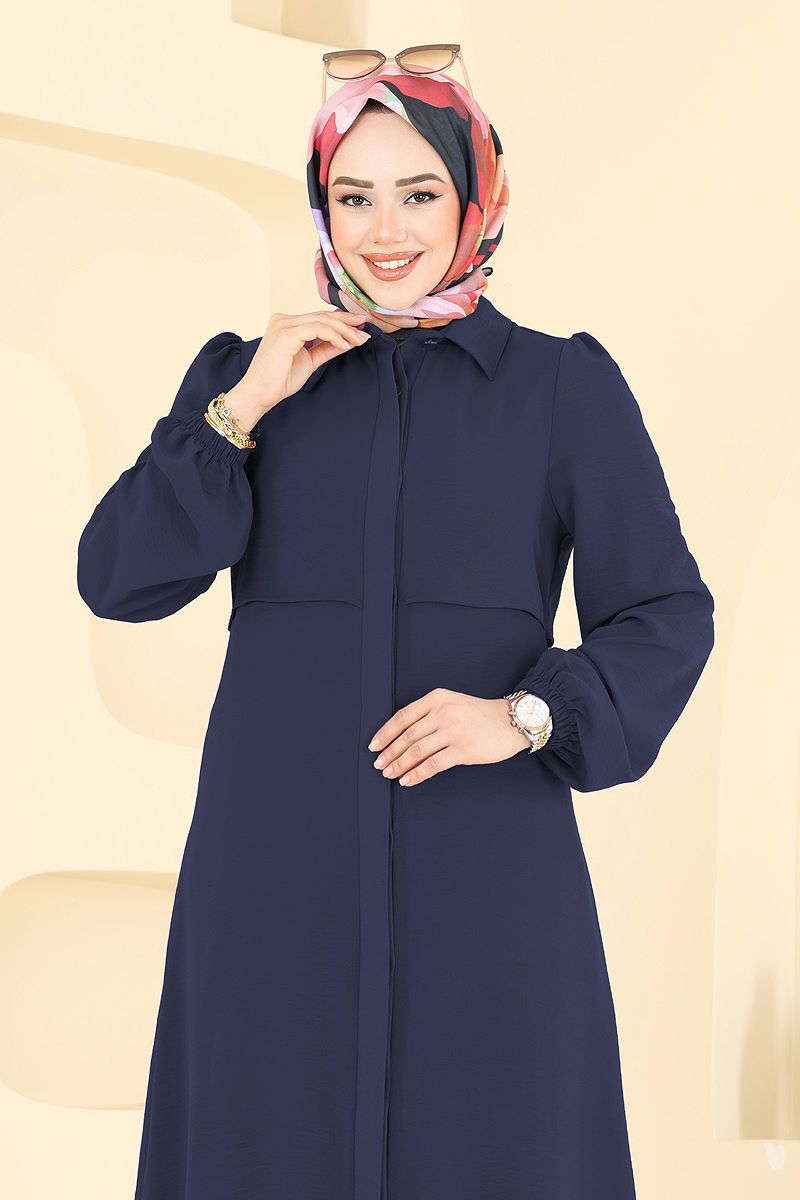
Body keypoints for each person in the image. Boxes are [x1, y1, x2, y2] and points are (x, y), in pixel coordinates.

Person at [76, 56, 715, 1200]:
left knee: (493, 1142)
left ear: (475, 198)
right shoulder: (248, 382)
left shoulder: (558, 388)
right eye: (352, 196)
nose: (384, 232)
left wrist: (526, 714)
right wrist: (239, 409)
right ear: (318, 207)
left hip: (484, 875)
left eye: (418, 193)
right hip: (273, 874)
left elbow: (664, 610)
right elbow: (118, 579)